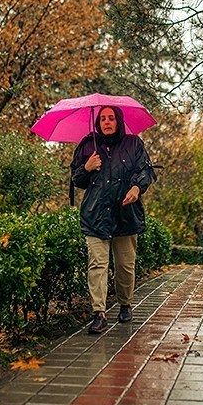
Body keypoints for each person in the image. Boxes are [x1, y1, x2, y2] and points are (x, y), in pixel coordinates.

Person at [70, 105, 157, 334]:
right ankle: (98, 313)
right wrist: (86, 167)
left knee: (125, 266)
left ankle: (125, 303)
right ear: (98, 123)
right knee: (97, 265)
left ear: (118, 120)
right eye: (102, 119)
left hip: (126, 214)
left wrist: (136, 188)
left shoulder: (133, 144)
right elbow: (76, 179)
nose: (106, 122)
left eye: (111, 118)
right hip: (95, 215)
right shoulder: (88, 145)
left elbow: (145, 171)